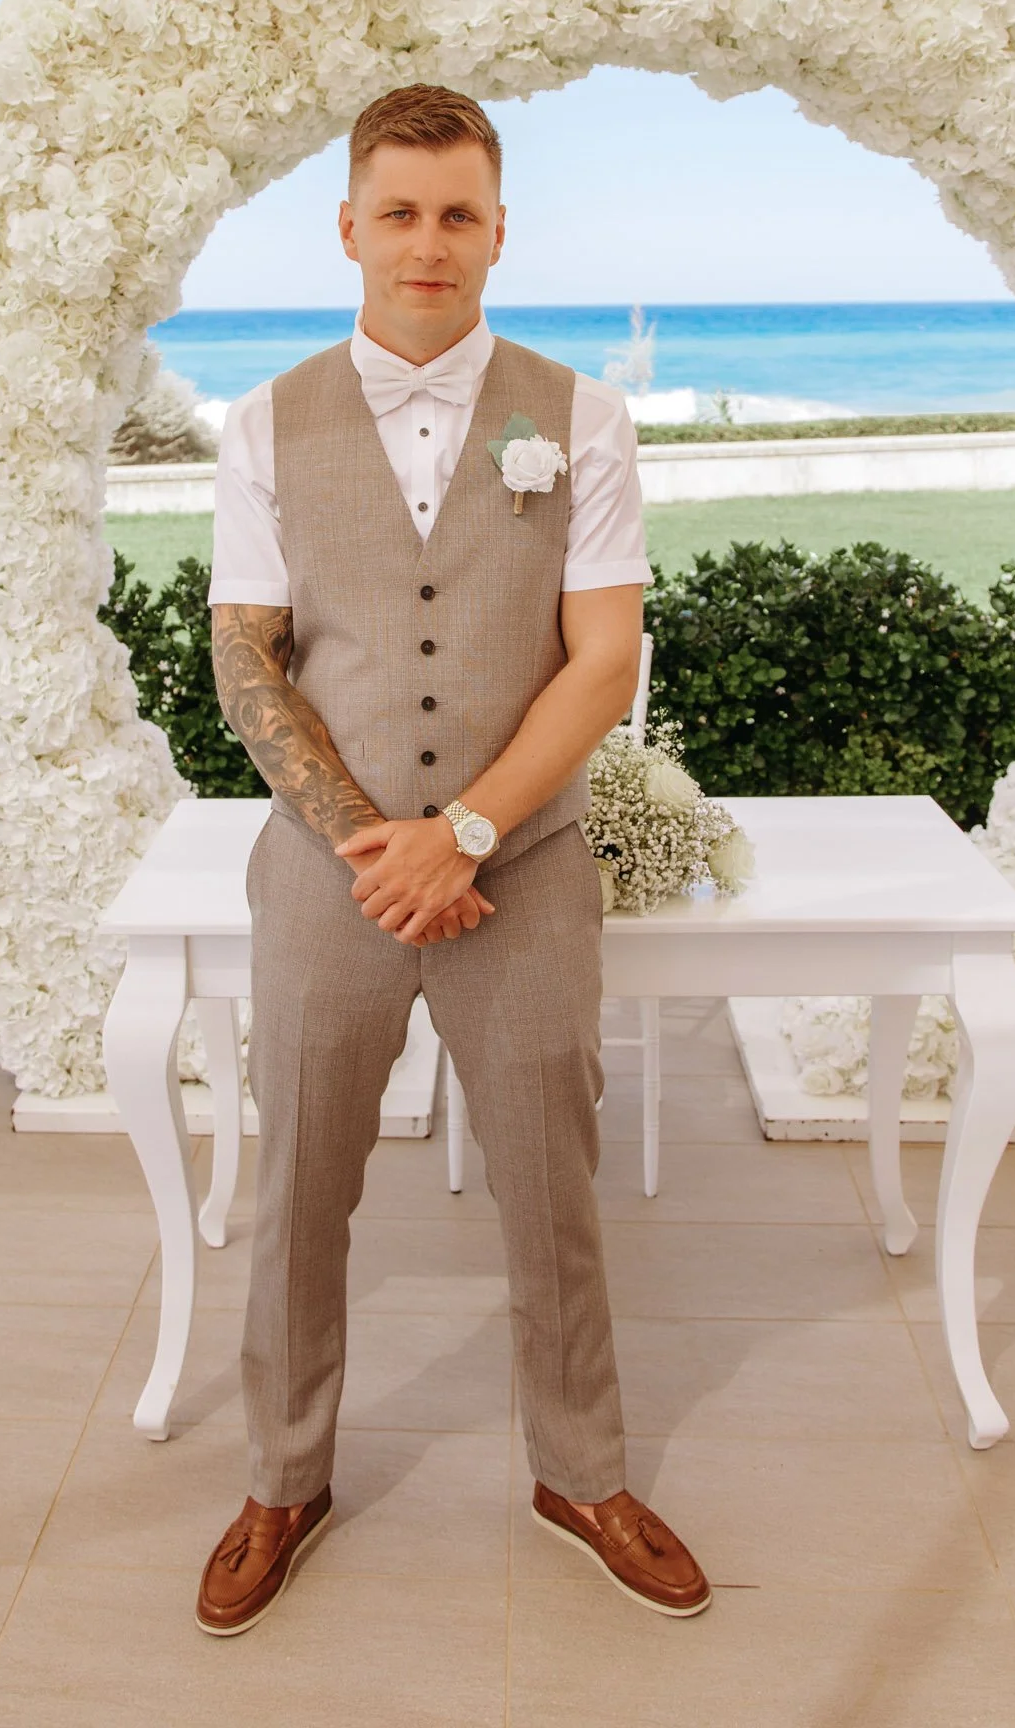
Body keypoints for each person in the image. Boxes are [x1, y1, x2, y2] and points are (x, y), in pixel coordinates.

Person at [197, 83, 710, 1635]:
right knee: (299, 1185)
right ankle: (285, 1475)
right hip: (328, 867)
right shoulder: (263, 423)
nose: (431, 240)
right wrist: (375, 845)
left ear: (499, 231)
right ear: (350, 228)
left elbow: (602, 659)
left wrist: (471, 830)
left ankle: (582, 1468)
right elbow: (245, 657)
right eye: (401, 211)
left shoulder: (581, 417)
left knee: (554, 1180)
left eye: (460, 212)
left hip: (528, 866)